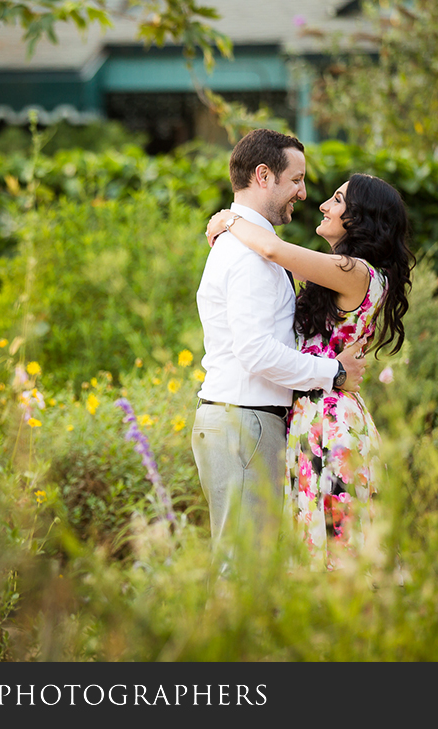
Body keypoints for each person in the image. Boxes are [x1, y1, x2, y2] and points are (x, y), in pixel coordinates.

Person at [204, 171, 415, 570]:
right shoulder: (339, 271)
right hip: (316, 414)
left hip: (331, 421)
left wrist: (229, 220)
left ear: (360, 218)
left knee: (340, 549)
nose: (323, 205)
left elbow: (270, 249)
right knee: (321, 545)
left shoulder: (355, 272)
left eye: (337, 200)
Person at [191, 129, 367, 573]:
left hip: (243, 418)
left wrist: (228, 221)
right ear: (263, 175)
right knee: (243, 572)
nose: (305, 194)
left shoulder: (249, 245)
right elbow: (256, 352)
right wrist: (334, 373)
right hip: (244, 418)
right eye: (296, 180)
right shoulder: (250, 254)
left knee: (246, 567)